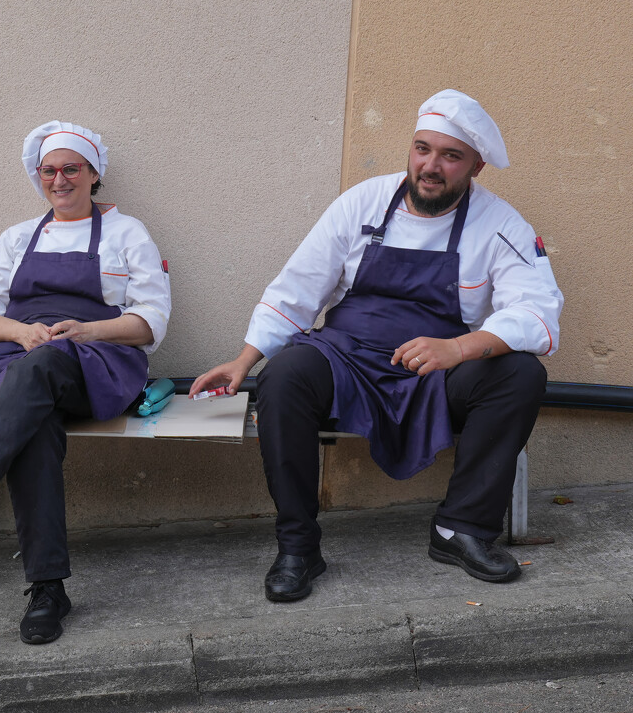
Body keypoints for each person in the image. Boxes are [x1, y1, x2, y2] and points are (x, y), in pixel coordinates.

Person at [191, 90, 563, 602]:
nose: (431, 166)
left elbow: (538, 314)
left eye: (450, 156)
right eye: (422, 149)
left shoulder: (500, 224)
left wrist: (460, 349)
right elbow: (297, 289)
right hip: (345, 357)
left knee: (520, 375)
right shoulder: (362, 202)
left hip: (434, 371)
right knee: (284, 376)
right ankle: (298, 545)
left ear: (476, 165)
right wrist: (244, 359)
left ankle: (462, 530)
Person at [0, 121, 171, 644]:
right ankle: (48, 589)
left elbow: (152, 321)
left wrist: (89, 328)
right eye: (50, 170)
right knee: (33, 424)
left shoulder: (127, 233)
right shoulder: (17, 238)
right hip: (20, 361)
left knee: (44, 365)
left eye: (71, 168)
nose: (59, 179)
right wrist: (20, 331)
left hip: (96, 362)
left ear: (93, 173)